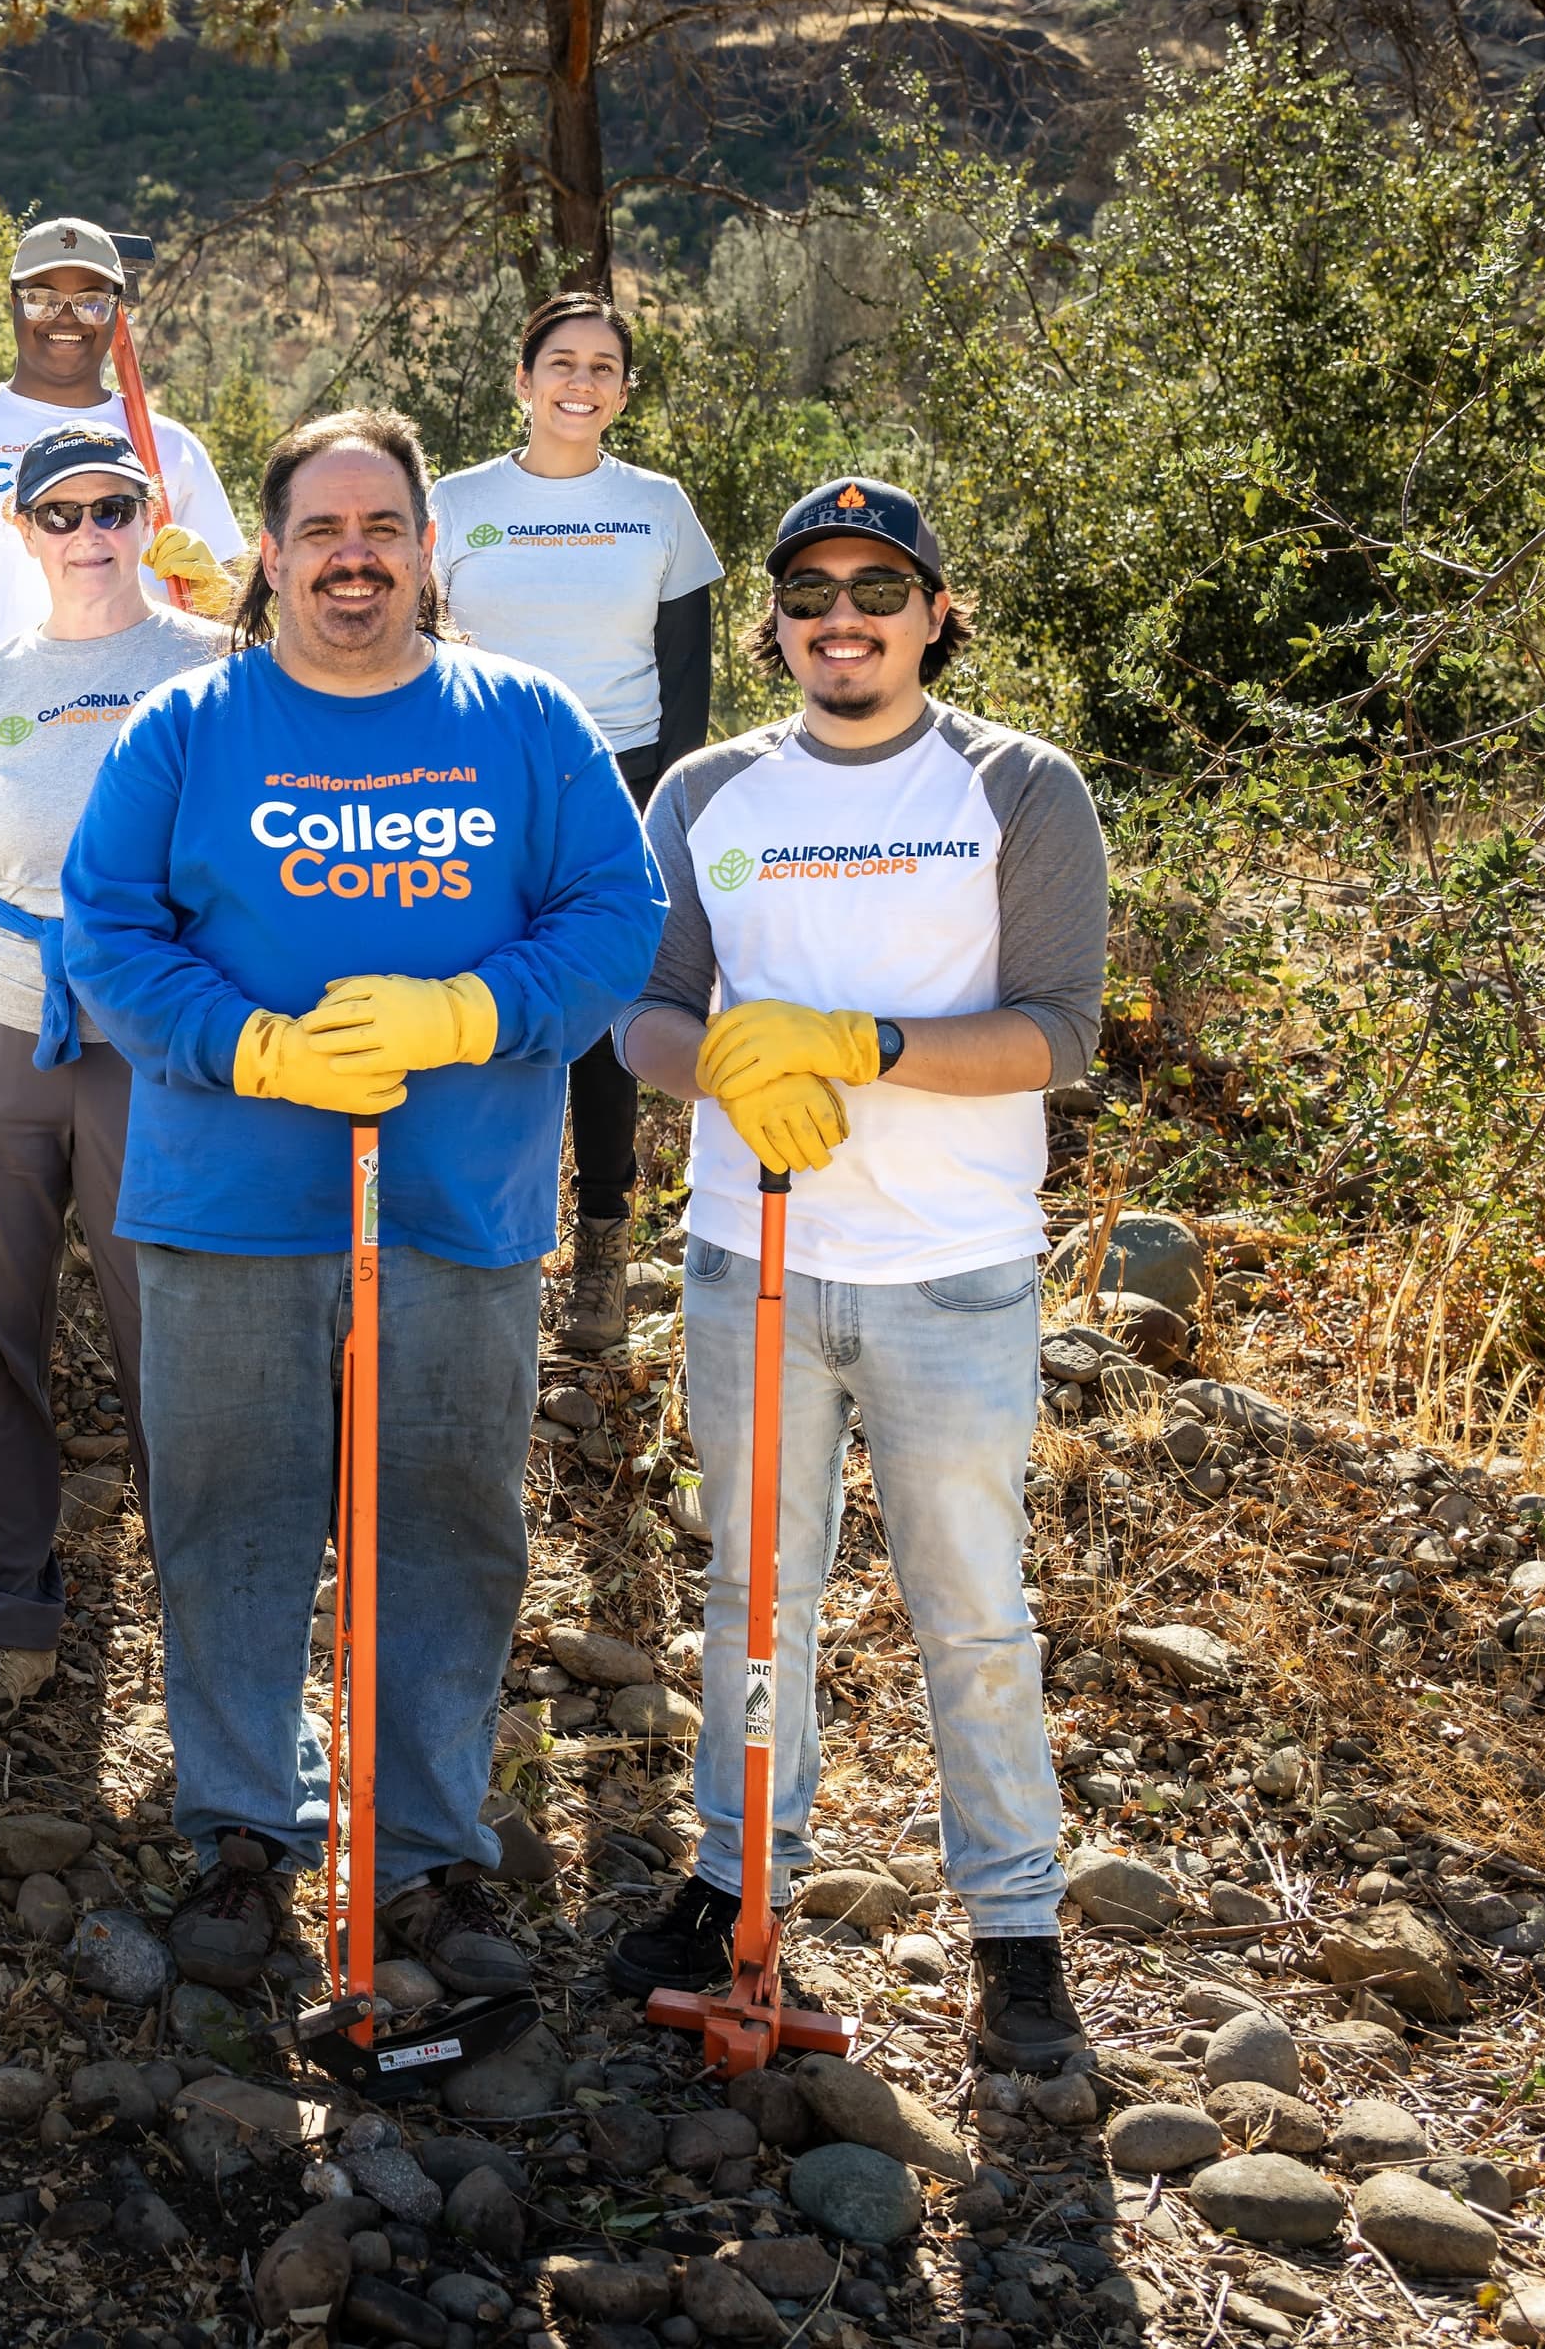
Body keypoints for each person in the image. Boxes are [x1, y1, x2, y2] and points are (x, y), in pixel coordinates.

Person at [59, 412, 667, 1999]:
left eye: (381, 524)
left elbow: (618, 921)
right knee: (230, 1519)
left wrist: (470, 1013)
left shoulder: (528, 726)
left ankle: (427, 1850)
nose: (351, 554)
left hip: (455, 1210)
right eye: (319, 528)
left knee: (451, 1529)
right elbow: (108, 936)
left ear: (427, 545)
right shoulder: (182, 732)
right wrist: (248, 1044)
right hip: (231, 1204)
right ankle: (244, 1834)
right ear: (267, 555)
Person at [605, 475, 1106, 2075]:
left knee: (971, 1606)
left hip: (949, 1275)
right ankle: (734, 1876)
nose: (843, 614)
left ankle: (1016, 1927)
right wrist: (726, 1072)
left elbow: (1058, 1031)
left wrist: (865, 1045)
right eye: (812, 588)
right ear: (777, 619)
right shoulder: (704, 792)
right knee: (758, 1593)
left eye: (878, 589)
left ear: (936, 614)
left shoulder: (1022, 790)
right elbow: (646, 1011)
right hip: (753, 1254)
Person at [0, 424, 221, 1730]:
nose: (87, 535)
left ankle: (209, 1625)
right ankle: (9, 1615)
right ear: (20, 532)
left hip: (160, 1036)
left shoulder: (217, 665)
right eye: (57, 514)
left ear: (143, 514)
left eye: (110, 508)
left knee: (174, 1331)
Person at [428, 290, 722, 1357]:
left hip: (623, 778)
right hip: (478, 778)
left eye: (603, 366)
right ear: (523, 379)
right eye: (561, 362)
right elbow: (410, 649)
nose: (581, 382)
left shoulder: (660, 506)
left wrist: (669, 807)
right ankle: (474, 1236)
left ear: (624, 390)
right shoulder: (454, 502)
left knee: (604, 1013)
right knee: (474, 1001)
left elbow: (688, 671)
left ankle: (603, 1243)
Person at [0, 217, 245, 823]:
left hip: (150, 709)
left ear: (118, 312)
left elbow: (235, 620)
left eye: (91, 302)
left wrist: (220, 595)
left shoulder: (170, 450)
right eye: (43, 298)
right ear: (13, 304)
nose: (65, 318)